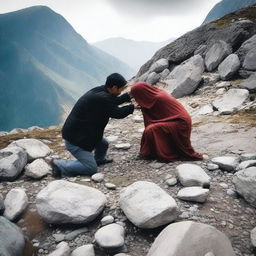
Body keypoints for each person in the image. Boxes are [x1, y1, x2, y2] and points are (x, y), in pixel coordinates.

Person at [51, 73, 134, 177]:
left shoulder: (101, 91)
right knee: (90, 168)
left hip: (79, 132)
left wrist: (127, 96)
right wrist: (133, 107)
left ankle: (98, 159)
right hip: (75, 140)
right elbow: (117, 113)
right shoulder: (103, 98)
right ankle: (60, 165)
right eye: (120, 89)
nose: (121, 91)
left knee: (103, 143)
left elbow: (112, 101)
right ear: (113, 87)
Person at [130, 82, 203, 162]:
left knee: (151, 129)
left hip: (180, 122)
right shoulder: (153, 96)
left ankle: (157, 153)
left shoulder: (158, 98)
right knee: (151, 129)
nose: (136, 99)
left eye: (136, 96)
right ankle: (151, 152)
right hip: (174, 120)